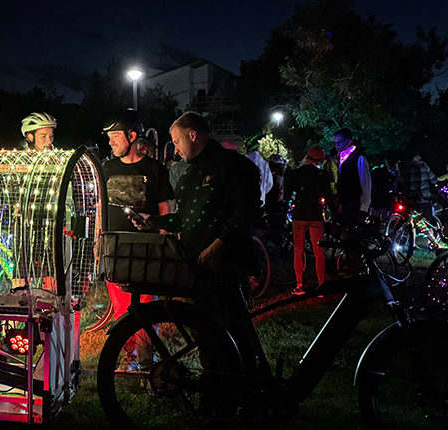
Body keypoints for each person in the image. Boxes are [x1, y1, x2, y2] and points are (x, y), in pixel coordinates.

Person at [160, 112, 264, 376]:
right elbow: (185, 218)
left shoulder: (234, 166)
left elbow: (247, 210)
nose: (176, 148)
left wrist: (219, 244)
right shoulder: (191, 172)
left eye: (177, 141)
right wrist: (153, 222)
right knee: (206, 335)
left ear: (193, 135)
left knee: (234, 333)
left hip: (226, 266)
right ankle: (216, 393)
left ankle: (244, 392)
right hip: (198, 268)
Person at [100, 108, 175, 320]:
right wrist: (99, 237)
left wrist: (163, 237)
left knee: (145, 306)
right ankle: (127, 351)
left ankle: (144, 352)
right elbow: (100, 205)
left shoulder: (155, 169)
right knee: (120, 306)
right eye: (109, 137)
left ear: (131, 136)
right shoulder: (107, 168)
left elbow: (164, 206)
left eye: (115, 136)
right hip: (114, 245)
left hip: (146, 247)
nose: (110, 142)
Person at [285, 147, 330, 294]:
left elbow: (287, 194)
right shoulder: (322, 175)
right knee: (319, 251)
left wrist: (285, 209)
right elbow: (328, 196)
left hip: (299, 214)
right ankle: (321, 285)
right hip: (315, 215)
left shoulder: (296, 174)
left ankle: (299, 285)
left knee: (298, 250)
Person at [332, 128, 371, 223]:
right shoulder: (342, 158)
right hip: (345, 205)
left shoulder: (359, 157)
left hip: (355, 206)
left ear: (348, 141)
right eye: (335, 143)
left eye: (339, 142)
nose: (337, 145)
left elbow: (365, 183)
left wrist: (363, 208)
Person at [395, 151, 439, 222]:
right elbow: (434, 180)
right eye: (418, 156)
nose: (419, 158)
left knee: (407, 221)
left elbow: (398, 183)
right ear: (415, 157)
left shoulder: (403, 168)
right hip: (423, 199)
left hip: (408, 200)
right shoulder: (424, 166)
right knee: (428, 222)